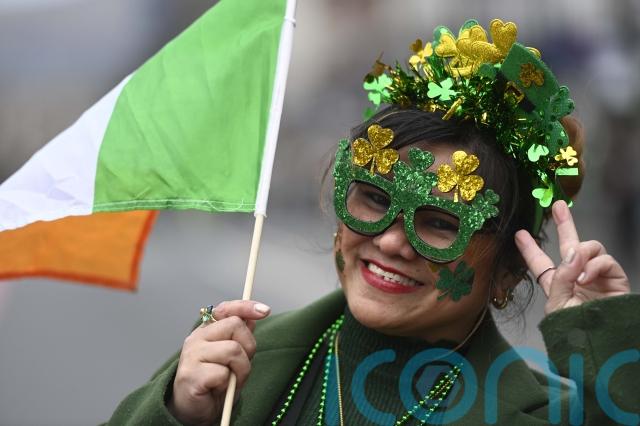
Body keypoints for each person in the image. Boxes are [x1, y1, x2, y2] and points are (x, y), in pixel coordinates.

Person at [106, 18, 638, 425]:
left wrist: (604, 345)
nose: (390, 241)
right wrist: (181, 414)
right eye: (374, 200)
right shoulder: (236, 368)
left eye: (439, 223)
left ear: (507, 273)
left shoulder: (548, 414)